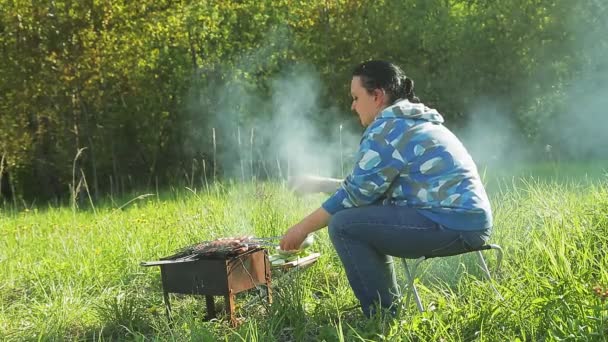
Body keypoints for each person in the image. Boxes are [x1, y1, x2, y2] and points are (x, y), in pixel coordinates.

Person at [279, 60, 493, 317]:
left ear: (377, 96)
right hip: (469, 222)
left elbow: (355, 196)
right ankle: (384, 311)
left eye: (356, 97)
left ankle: (382, 316)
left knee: (344, 225)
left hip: (450, 225)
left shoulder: (386, 129)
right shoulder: (410, 121)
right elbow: (367, 191)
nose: (353, 105)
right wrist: (319, 184)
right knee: (351, 218)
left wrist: (301, 228)